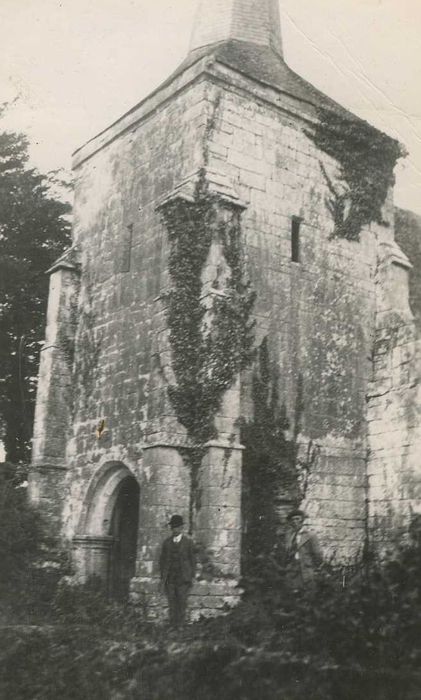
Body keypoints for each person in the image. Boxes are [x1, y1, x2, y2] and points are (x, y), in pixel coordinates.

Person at [159, 514, 196, 628]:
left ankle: (180, 625)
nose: (175, 529)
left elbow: (192, 560)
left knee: (182, 601)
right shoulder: (167, 543)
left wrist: (190, 576)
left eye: (177, 527)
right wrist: (163, 576)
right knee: (172, 601)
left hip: (183, 578)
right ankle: (172, 625)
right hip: (170, 578)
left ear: (181, 528)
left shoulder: (188, 542)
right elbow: (162, 560)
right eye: (173, 527)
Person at [284, 508, 323, 590]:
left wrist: (313, 567)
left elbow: (318, 554)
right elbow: (287, 553)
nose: (295, 522)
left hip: (306, 570)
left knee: (308, 594)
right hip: (293, 571)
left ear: (302, 520)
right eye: (293, 520)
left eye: (297, 519)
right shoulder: (290, 536)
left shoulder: (310, 535)